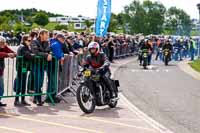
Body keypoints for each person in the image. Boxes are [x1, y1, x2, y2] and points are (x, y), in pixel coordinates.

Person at [31, 29, 52, 106]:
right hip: (35, 64)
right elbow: (36, 53)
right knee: (38, 81)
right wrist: (46, 55)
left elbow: (49, 50)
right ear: (41, 35)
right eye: (46, 35)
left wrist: (49, 54)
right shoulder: (34, 42)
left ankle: (35, 98)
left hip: (42, 65)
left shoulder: (47, 42)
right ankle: (38, 99)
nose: (48, 36)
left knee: (40, 82)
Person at [14, 35, 34, 106]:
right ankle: (17, 100)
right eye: (28, 40)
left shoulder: (26, 46)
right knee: (20, 83)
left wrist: (31, 53)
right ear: (24, 40)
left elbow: (30, 53)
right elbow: (27, 55)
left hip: (23, 67)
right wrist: (32, 55)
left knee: (23, 83)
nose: (30, 42)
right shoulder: (23, 47)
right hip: (21, 67)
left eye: (30, 40)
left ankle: (22, 99)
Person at [0, 36, 16, 107]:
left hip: (0, 71)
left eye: (3, 43)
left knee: (1, 88)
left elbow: (12, 52)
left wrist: (13, 54)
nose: (3, 44)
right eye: (1, 43)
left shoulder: (4, 47)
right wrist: (7, 54)